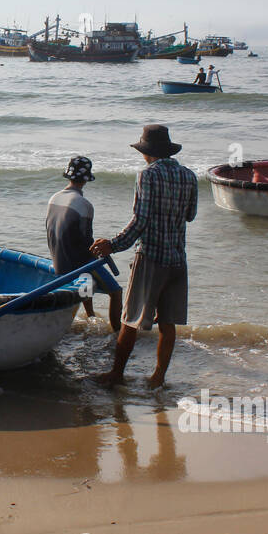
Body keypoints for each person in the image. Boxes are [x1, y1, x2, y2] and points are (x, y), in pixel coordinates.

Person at [89, 125, 197, 388]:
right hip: (177, 259)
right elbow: (190, 216)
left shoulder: (147, 175)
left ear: (146, 152)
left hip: (150, 257)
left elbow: (141, 221)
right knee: (168, 322)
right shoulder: (189, 176)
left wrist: (113, 245)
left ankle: (116, 374)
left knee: (130, 319)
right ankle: (158, 377)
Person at [46, 156, 122, 331]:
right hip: (77, 262)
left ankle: (91, 317)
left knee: (87, 278)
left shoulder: (54, 198)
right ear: (86, 179)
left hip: (58, 259)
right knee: (116, 292)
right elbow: (87, 241)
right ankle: (116, 333)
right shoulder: (84, 204)